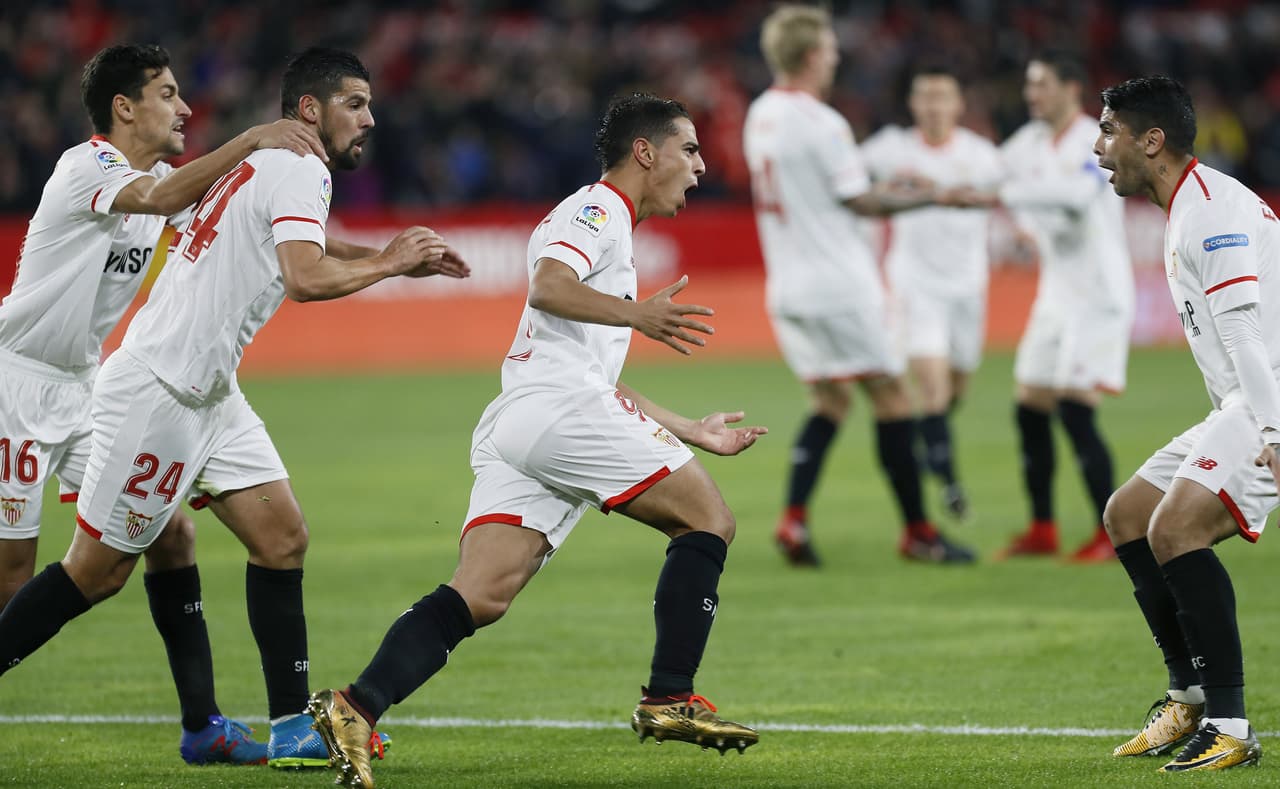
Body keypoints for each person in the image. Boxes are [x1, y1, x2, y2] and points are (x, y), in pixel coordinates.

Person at [0, 46, 466, 768]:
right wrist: (387, 263)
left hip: (200, 390)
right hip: (135, 389)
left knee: (279, 536)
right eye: (356, 103)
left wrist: (386, 248)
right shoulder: (117, 167)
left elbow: (291, 237)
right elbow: (303, 276)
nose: (371, 118)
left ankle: (285, 728)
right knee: (91, 571)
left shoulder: (219, 172)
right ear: (308, 111)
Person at [306, 92, 767, 789]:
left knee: (481, 593)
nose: (701, 167)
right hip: (556, 413)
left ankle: (354, 707)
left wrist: (689, 430)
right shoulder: (596, 210)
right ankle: (670, 694)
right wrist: (639, 315)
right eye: (690, 149)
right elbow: (549, 286)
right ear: (646, 152)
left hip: (526, 420)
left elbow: (589, 374)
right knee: (710, 520)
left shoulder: (614, 229)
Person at [0, 43, 328, 765]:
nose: (185, 109)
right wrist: (250, 137)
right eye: (169, 94)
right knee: (12, 575)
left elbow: (233, 232)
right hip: (14, 384)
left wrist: (376, 255)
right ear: (125, 107)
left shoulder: (162, 181)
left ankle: (202, 724)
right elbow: (155, 200)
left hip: (86, 386)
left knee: (169, 535)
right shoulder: (90, 166)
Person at [743, 4, 976, 567]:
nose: (837, 55)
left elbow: (823, 186)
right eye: (829, 47)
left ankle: (793, 521)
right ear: (811, 55)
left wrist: (881, 180)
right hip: (839, 284)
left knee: (830, 398)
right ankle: (919, 533)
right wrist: (936, 195)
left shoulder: (762, 113)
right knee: (893, 398)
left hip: (788, 286)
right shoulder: (823, 122)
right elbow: (861, 202)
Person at [1096, 75, 1273, 771]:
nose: (1098, 145)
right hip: (1243, 399)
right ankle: (1190, 695)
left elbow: (1247, 336)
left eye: (1109, 130)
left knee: (1177, 527)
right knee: (1129, 514)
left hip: (1271, 399)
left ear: (1152, 140)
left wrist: (1274, 434)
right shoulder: (1184, 205)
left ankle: (1231, 724)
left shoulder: (1211, 211)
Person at [992, 51, 1133, 562]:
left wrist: (1004, 190)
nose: (1032, 95)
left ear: (1072, 88)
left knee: (1075, 409)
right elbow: (985, 173)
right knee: (1030, 406)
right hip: (1055, 292)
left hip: (1097, 293)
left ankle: (1112, 534)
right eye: (1029, 85)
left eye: (1042, 84)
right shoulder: (1026, 144)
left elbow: (1076, 196)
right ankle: (1043, 528)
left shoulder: (1096, 138)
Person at [860, 65, 1002, 521]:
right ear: (913, 104)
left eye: (943, 97)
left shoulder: (982, 157)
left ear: (959, 105)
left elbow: (1003, 198)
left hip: (967, 288)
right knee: (934, 388)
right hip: (914, 286)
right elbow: (846, 178)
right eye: (926, 96)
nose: (934, 106)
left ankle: (929, 445)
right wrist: (887, 188)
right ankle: (949, 485)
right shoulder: (890, 149)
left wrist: (940, 191)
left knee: (956, 387)